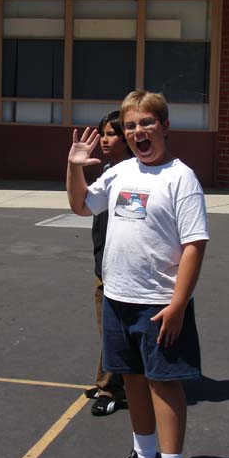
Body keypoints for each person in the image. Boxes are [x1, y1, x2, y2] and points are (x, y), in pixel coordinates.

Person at [66, 90, 209, 458]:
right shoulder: (119, 172)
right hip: (117, 299)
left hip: (159, 304)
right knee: (132, 379)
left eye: (147, 123)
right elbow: (81, 205)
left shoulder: (181, 178)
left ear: (164, 126)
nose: (138, 132)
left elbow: (195, 245)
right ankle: (144, 455)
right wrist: (74, 167)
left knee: (164, 384)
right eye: (130, 126)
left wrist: (178, 306)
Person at [86, 110, 131, 416]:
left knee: (113, 331)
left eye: (111, 134)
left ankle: (111, 389)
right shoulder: (108, 172)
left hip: (120, 270)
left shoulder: (131, 176)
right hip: (103, 264)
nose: (104, 140)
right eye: (102, 134)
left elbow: (128, 223)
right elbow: (84, 206)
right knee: (109, 330)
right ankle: (109, 381)